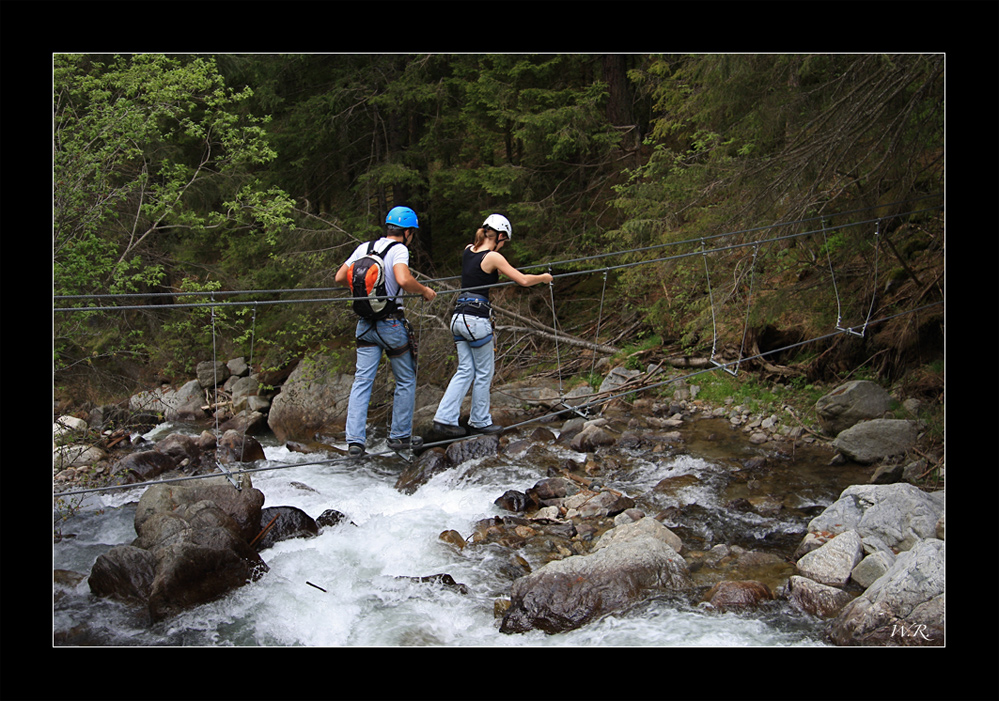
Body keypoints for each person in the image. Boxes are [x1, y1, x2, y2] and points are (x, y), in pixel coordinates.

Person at [433, 214, 552, 437]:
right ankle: (479, 421)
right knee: (484, 372)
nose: (504, 246)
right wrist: (544, 277)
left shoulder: (469, 250)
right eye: (504, 241)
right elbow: (524, 280)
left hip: (458, 318)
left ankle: (444, 418)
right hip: (476, 319)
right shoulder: (493, 257)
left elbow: (477, 275)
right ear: (499, 236)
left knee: (465, 370)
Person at [335, 206, 436, 456]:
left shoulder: (364, 247)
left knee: (362, 381)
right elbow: (402, 280)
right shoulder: (399, 249)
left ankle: (355, 442)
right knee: (405, 379)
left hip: (364, 325)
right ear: (408, 232)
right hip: (390, 324)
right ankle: (399, 437)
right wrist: (424, 290)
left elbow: (339, 276)